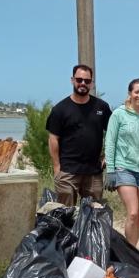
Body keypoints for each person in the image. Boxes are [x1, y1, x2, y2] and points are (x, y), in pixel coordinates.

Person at [46, 64, 112, 206]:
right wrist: (57, 168)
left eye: (87, 81)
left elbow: (113, 133)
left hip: (94, 171)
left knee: (93, 216)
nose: (83, 83)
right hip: (67, 171)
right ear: (72, 80)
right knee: (65, 214)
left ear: (92, 83)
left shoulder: (102, 107)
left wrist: (108, 157)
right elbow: (53, 138)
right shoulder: (60, 109)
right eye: (79, 79)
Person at [104, 78, 139, 246]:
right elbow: (110, 142)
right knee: (132, 213)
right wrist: (111, 170)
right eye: (137, 92)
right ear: (130, 93)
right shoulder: (119, 114)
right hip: (124, 167)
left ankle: (132, 251)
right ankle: (128, 252)